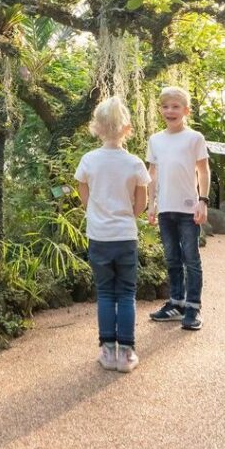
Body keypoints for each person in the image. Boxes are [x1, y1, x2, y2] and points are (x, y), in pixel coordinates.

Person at [75, 96, 150, 373]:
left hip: (99, 235)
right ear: (127, 128)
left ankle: (107, 351)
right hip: (125, 235)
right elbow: (141, 204)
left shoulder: (89, 160)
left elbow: (83, 191)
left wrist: (94, 211)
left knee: (105, 292)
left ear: (96, 127)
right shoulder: (134, 163)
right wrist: (129, 214)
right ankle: (126, 353)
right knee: (126, 293)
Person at [146, 86, 210, 331]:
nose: (170, 111)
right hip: (165, 209)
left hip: (188, 208)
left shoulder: (194, 138)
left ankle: (193, 307)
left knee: (191, 259)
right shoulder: (155, 140)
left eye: (175, 106)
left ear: (186, 111)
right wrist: (151, 204)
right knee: (172, 258)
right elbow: (152, 173)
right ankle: (176, 303)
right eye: (165, 106)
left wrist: (202, 200)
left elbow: (203, 170)